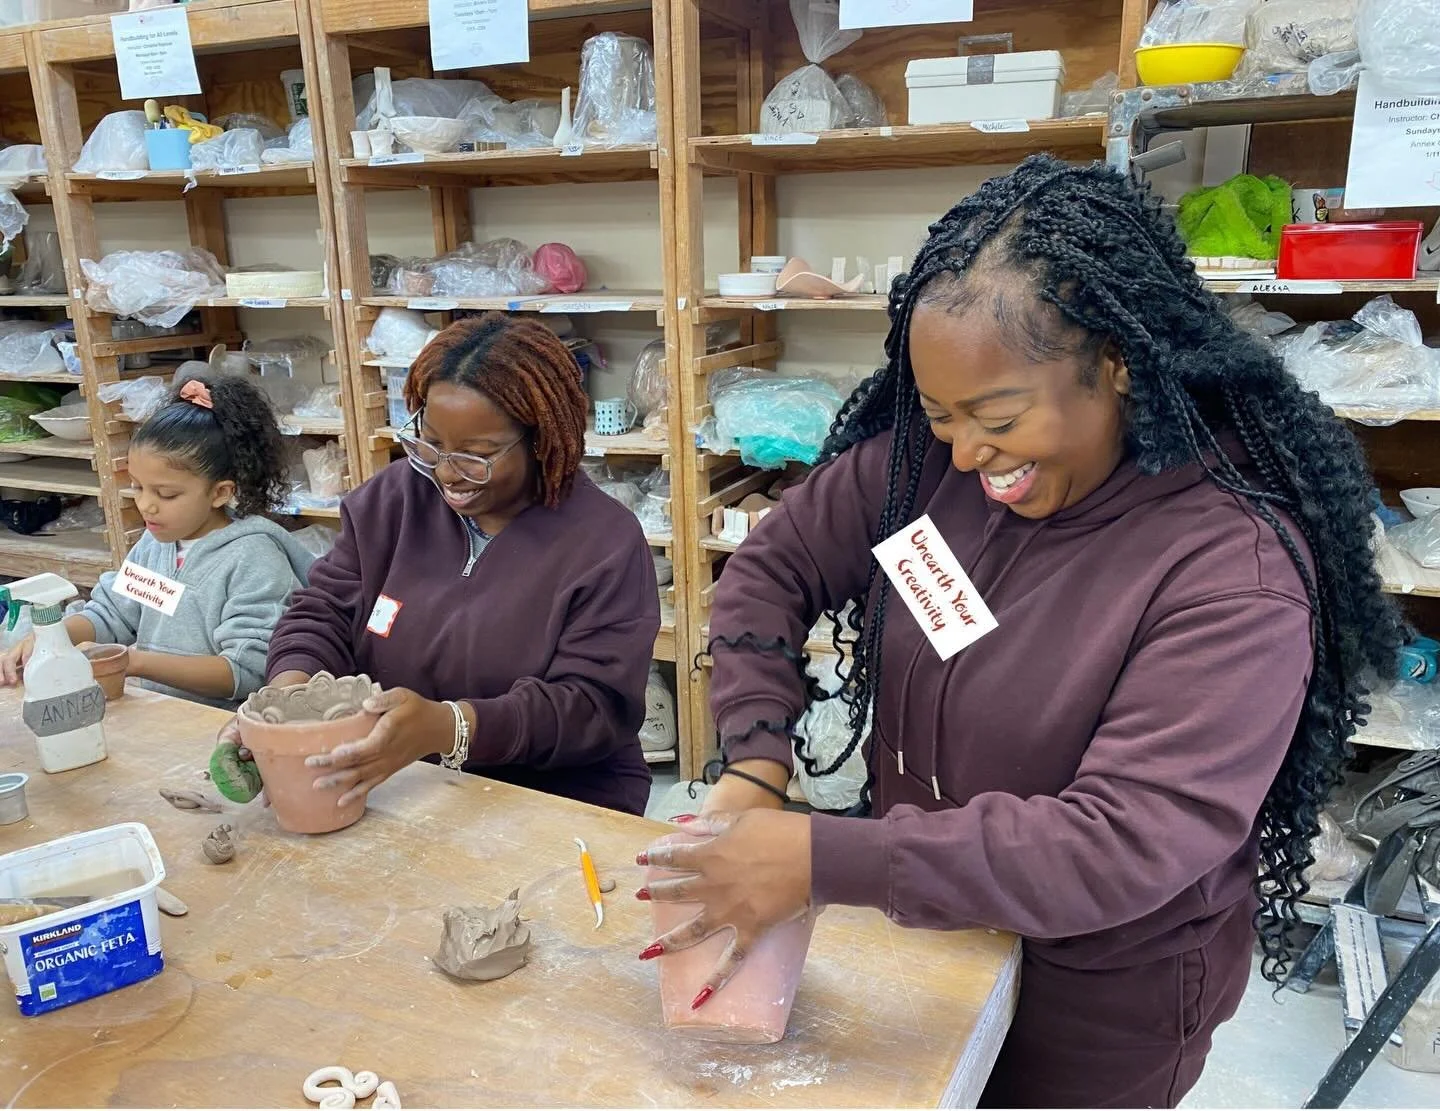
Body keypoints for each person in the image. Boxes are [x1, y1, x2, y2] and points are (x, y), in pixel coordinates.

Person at [636, 157, 1403, 1107]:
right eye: (937, 412)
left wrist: (820, 857)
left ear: (1116, 363)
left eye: (997, 416)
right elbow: (768, 572)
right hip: (928, 934)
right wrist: (755, 764)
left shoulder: (1230, 573)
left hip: (1094, 1008)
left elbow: (1121, 841)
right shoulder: (928, 473)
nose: (964, 453)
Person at [248, 312, 658, 815]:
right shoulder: (393, 502)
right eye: (431, 444)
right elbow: (325, 611)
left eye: (477, 454)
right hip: (403, 779)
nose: (446, 473)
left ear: (542, 440)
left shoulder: (603, 543)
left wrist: (453, 727)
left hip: (557, 798)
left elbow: (593, 706)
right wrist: (286, 699)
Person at [0, 374, 314, 708]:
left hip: (219, 727)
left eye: (165, 493)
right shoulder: (158, 545)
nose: (146, 504)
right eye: (137, 487)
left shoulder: (254, 559)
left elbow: (243, 672)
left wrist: (133, 662)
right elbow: (112, 614)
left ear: (221, 493)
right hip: (159, 714)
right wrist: (51, 638)